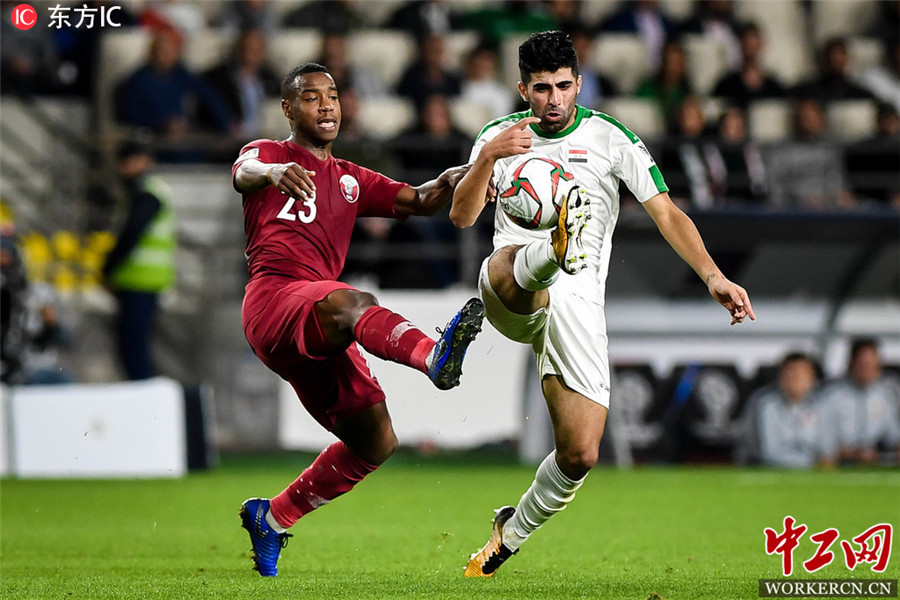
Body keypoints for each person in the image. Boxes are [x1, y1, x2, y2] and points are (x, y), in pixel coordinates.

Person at [450, 30, 754, 577]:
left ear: (578, 83)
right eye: (541, 88)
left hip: (579, 303)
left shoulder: (612, 138)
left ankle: (509, 533)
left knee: (580, 454)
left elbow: (667, 213)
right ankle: (554, 247)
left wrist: (713, 276)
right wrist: (487, 160)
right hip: (511, 286)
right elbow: (462, 216)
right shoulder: (497, 137)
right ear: (522, 89)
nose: (553, 99)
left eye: (563, 86)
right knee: (513, 264)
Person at [232, 62, 487, 577]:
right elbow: (243, 172)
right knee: (353, 301)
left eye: (332, 95)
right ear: (287, 109)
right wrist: (274, 174)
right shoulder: (269, 154)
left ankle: (273, 517)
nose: (326, 105)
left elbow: (420, 201)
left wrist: (458, 176)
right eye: (311, 97)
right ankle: (432, 356)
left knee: (376, 442)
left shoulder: (351, 178)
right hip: (275, 300)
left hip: (317, 319)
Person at [102, 141, 177, 381]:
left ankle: (143, 394)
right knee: (133, 347)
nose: (125, 169)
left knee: (133, 349)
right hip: (139, 281)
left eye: (130, 162)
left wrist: (108, 267)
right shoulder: (146, 192)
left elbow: (131, 233)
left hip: (141, 282)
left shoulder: (148, 194)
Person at [821, 339, 900, 465]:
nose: (868, 370)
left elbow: (894, 436)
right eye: (863, 365)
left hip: (875, 462)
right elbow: (821, 440)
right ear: (851, 364)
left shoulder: (885, 395)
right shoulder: (831, 396)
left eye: (872, 365)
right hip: (839, 463)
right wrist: (851, 453)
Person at [750, 353, 836, 469]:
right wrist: (811, 462)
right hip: (774, 473)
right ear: (780, 378)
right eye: (790, 373)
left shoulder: (822, 406)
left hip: (815, 475)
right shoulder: (767, 406)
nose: (795, 378)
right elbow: (769, 454)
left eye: (802, 374)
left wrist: (823, 460)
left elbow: (828, 451)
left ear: (813, 379)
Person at [203, 28, 281, 141]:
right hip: (230, 139)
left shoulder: (270, 78)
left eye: (257, 50)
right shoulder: (218, 79)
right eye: (248, 48)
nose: (252, 55)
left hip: (264, 138)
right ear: (238, 50)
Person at [711, 21, 786, 108]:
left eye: (754, 40)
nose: (750, 43)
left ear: (761, 44)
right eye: (746, 40)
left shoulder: (774, 86)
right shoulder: (726, 85)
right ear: (739, 44)